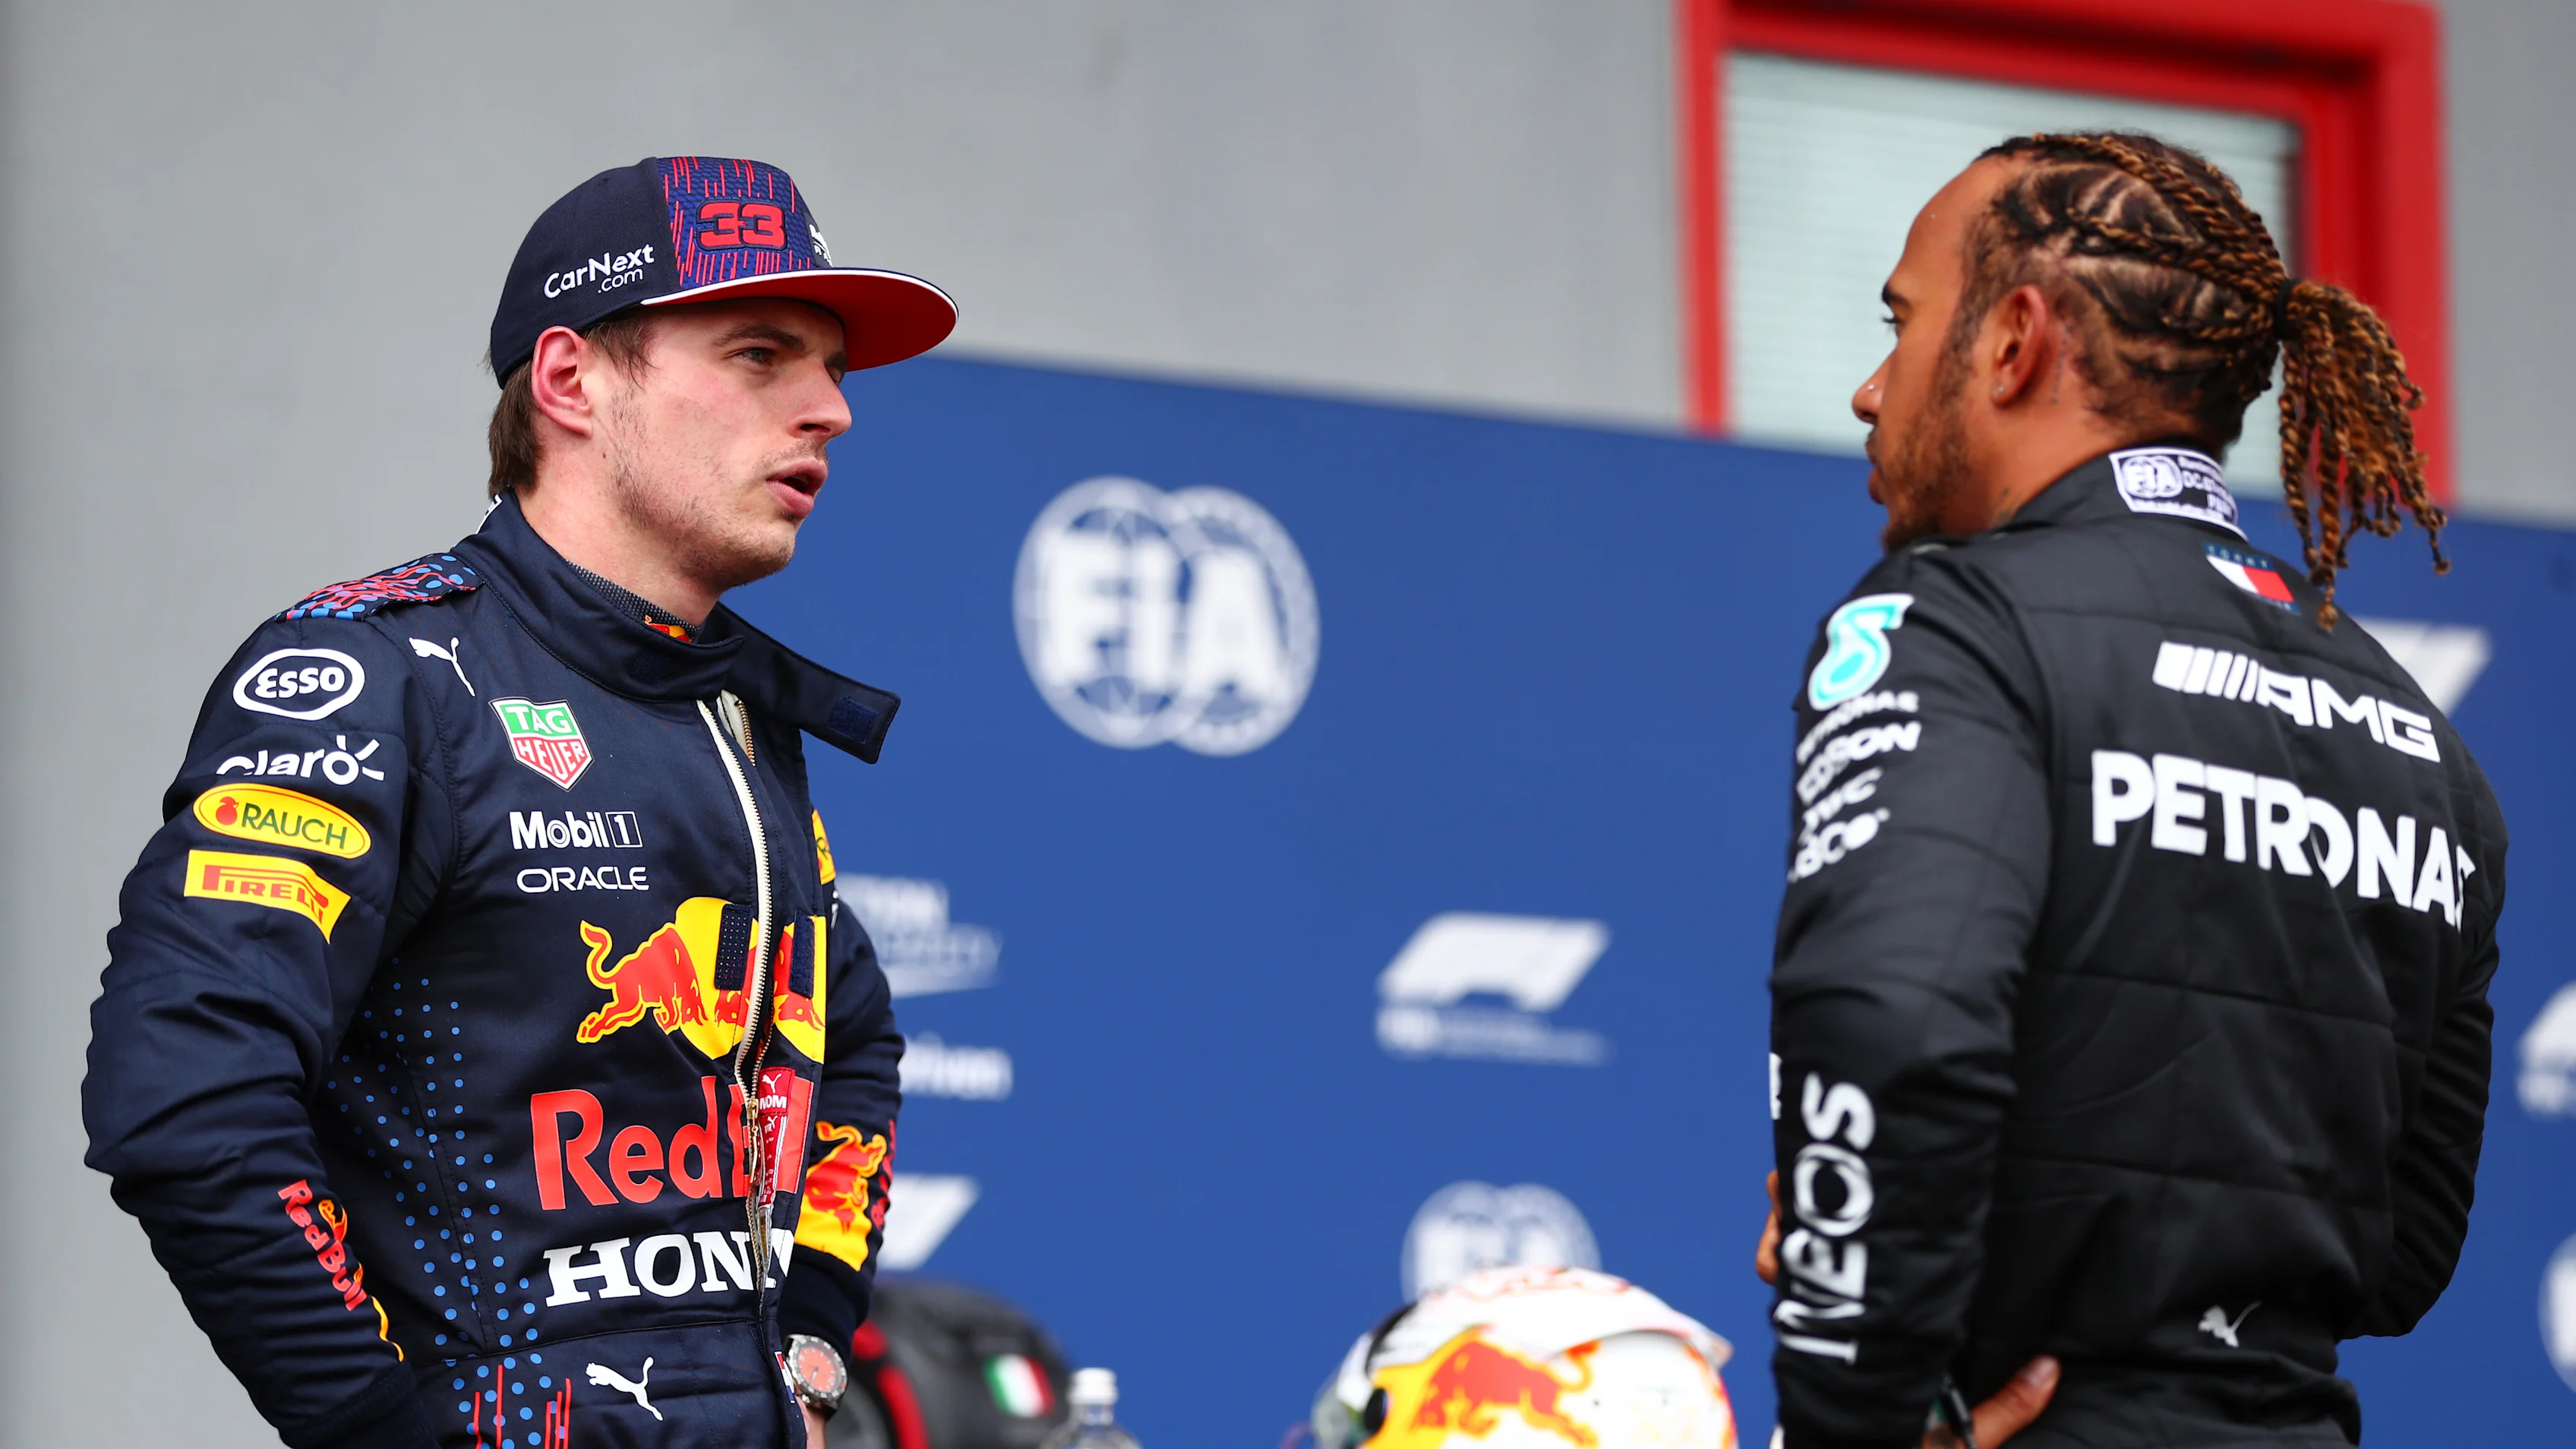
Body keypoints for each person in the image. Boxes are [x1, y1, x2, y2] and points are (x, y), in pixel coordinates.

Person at [83, 156, 958, 1448]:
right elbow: (187, 1098)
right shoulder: (377, 679)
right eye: (763, 354)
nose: (830, 408)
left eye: (831, 368)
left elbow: (849, 1050)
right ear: (570, 385)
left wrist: (814, 1341)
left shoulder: (731, 714)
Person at [1761, 133, 2505, 1448]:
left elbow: (1892, 1027)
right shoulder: (2418, 736)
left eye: (1903, 322)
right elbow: (2408, 1249)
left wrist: (1858, 1416)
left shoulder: (1954, 625)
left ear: (2015, 343)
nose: (1874, 390)